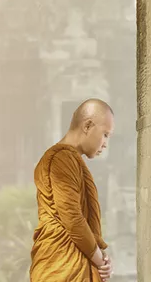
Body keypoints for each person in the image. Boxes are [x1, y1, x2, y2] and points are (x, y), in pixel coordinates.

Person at [29, 99, 115, 282]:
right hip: (60, 266)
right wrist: (100, 261)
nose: (106, 143)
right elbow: (73, 218)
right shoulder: (61, 158)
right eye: (105, 134)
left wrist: (102, 259)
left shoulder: (71, 160)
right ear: (87, 125)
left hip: (71, 262)